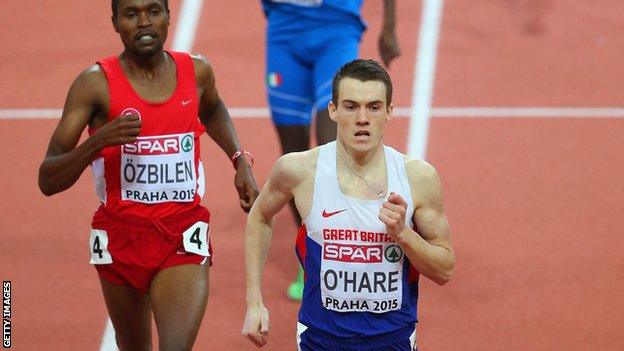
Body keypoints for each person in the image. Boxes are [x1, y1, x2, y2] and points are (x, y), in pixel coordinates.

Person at [37, 0, 259, 349]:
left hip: (182, 234)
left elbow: (213, 107)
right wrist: (99, 143)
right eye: (131, 14)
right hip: (119, 237)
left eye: (153, 11)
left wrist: (239, 159)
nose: (144, 22)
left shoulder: (197, 71)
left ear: (169, 16)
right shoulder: (94, 85)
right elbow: (47, 179)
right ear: (115, 22)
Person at [242, 59, 454, 350]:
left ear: (390, 112)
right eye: (351, 106)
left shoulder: (418, 177)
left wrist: (403, 235)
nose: (362, 118)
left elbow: (444, 270)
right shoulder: (300, 171)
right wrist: (254, 302)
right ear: (333, 110)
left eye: (374, 107)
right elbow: (260, 217)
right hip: (320, 340)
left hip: (393, 340)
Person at [261, 0, 402, 301]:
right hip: (283, 30)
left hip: (336, 27)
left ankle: (336, 253)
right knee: (293, 156)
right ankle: (311, 250)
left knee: (334, 147)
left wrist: (389, 26)